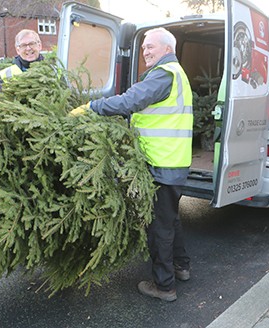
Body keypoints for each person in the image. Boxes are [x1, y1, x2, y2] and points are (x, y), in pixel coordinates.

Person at [71, 27, 193, 302]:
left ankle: (164, 287)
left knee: (159, 227)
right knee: (170, 218)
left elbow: (130, 101)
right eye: (144, 47)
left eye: (150, 46)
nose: (145, 51)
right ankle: (181, 266)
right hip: (173, 161)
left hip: (162, 164)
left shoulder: (164, 74)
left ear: (167, 48)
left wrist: (92, 107)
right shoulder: (176, 74)